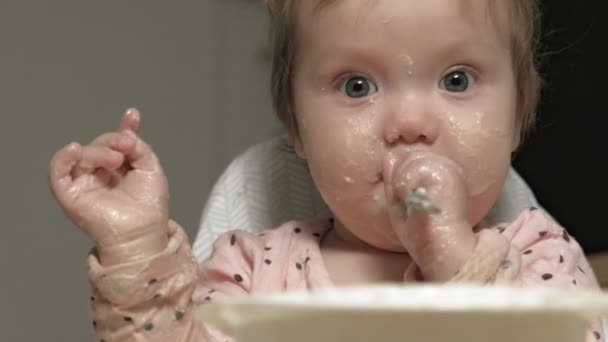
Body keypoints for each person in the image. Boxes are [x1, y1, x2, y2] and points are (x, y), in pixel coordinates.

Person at [48, 0, 603, 341]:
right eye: (356, 85)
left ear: (520, 111)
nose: (410, 123)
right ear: (296, 126)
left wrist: (456, 259)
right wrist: (135, 247)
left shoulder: (540, 258)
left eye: (456, 80)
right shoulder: (254, 271)